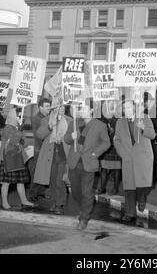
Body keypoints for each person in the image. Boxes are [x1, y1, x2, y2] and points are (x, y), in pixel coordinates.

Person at [64, 98, 111, 230]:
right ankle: (84, 207)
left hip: (88, 163)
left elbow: (106, 142)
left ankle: (84, 218)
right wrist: (70, 137)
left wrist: (96, 153)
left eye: (84, 108)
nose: (81, 111)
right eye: (80, 108)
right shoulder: (74, 123)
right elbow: (66, 139)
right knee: (75, 191)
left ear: (91, 110)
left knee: (86, 192)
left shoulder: (100, 125)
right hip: (74, 162)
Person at [114, 99, 156, 223]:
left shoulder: (144, 117)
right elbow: (116, 140)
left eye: (127, 108)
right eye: (124, 108)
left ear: (133, 108)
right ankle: (129, 212)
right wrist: (122, 153)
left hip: (143, 158)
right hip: (128, 158)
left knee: (142, 185)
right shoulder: (119, 122)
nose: (125, 110)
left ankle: (142, 198)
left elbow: (153, 135)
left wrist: (143, 128)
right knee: (129, 186)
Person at [0, 107, 35, 211]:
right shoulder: (7, 128)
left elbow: (26, 144)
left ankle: (24, 201)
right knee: (6, 182)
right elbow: (13, 141)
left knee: (21, 181)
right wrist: (19, 133)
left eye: (20, 116)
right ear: (13, 116)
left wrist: (21, 134)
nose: (20, 118)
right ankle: (4, 203)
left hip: (18, 158)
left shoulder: (19, 128)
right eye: (18, 116)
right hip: (8, 158)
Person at [33, 105, 68, 215]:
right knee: (52, 181)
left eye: (62, 107)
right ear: (53, 110)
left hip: (63, 154)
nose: (61, 110)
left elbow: (72, 139)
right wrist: (49, 126)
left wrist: (67, 137)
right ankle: (55, 201)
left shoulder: (70, 120)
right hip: (50, 155)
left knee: (59, 180)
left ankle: (60, 204)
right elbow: (39, 135)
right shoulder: (46, 120)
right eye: (58, 108)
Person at [97, 100, 122, 195]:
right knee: (103, 168)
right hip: (105, 144)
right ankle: (102, 188)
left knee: (116, 168)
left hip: (116, 145)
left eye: (112, 104)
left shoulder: (119, 118)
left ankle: (115, 188)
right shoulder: (102, 119)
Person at [29, 98, 51, 202]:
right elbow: (38, 134)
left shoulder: (49, 117)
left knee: (44, 171)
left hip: (47, 148)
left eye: (49, 106)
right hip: (39, 148)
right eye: (47, 106)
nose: (49, 108)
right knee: (36, 171)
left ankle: (41, 192)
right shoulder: (36, 118)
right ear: (40, 107)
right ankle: (32, 193)